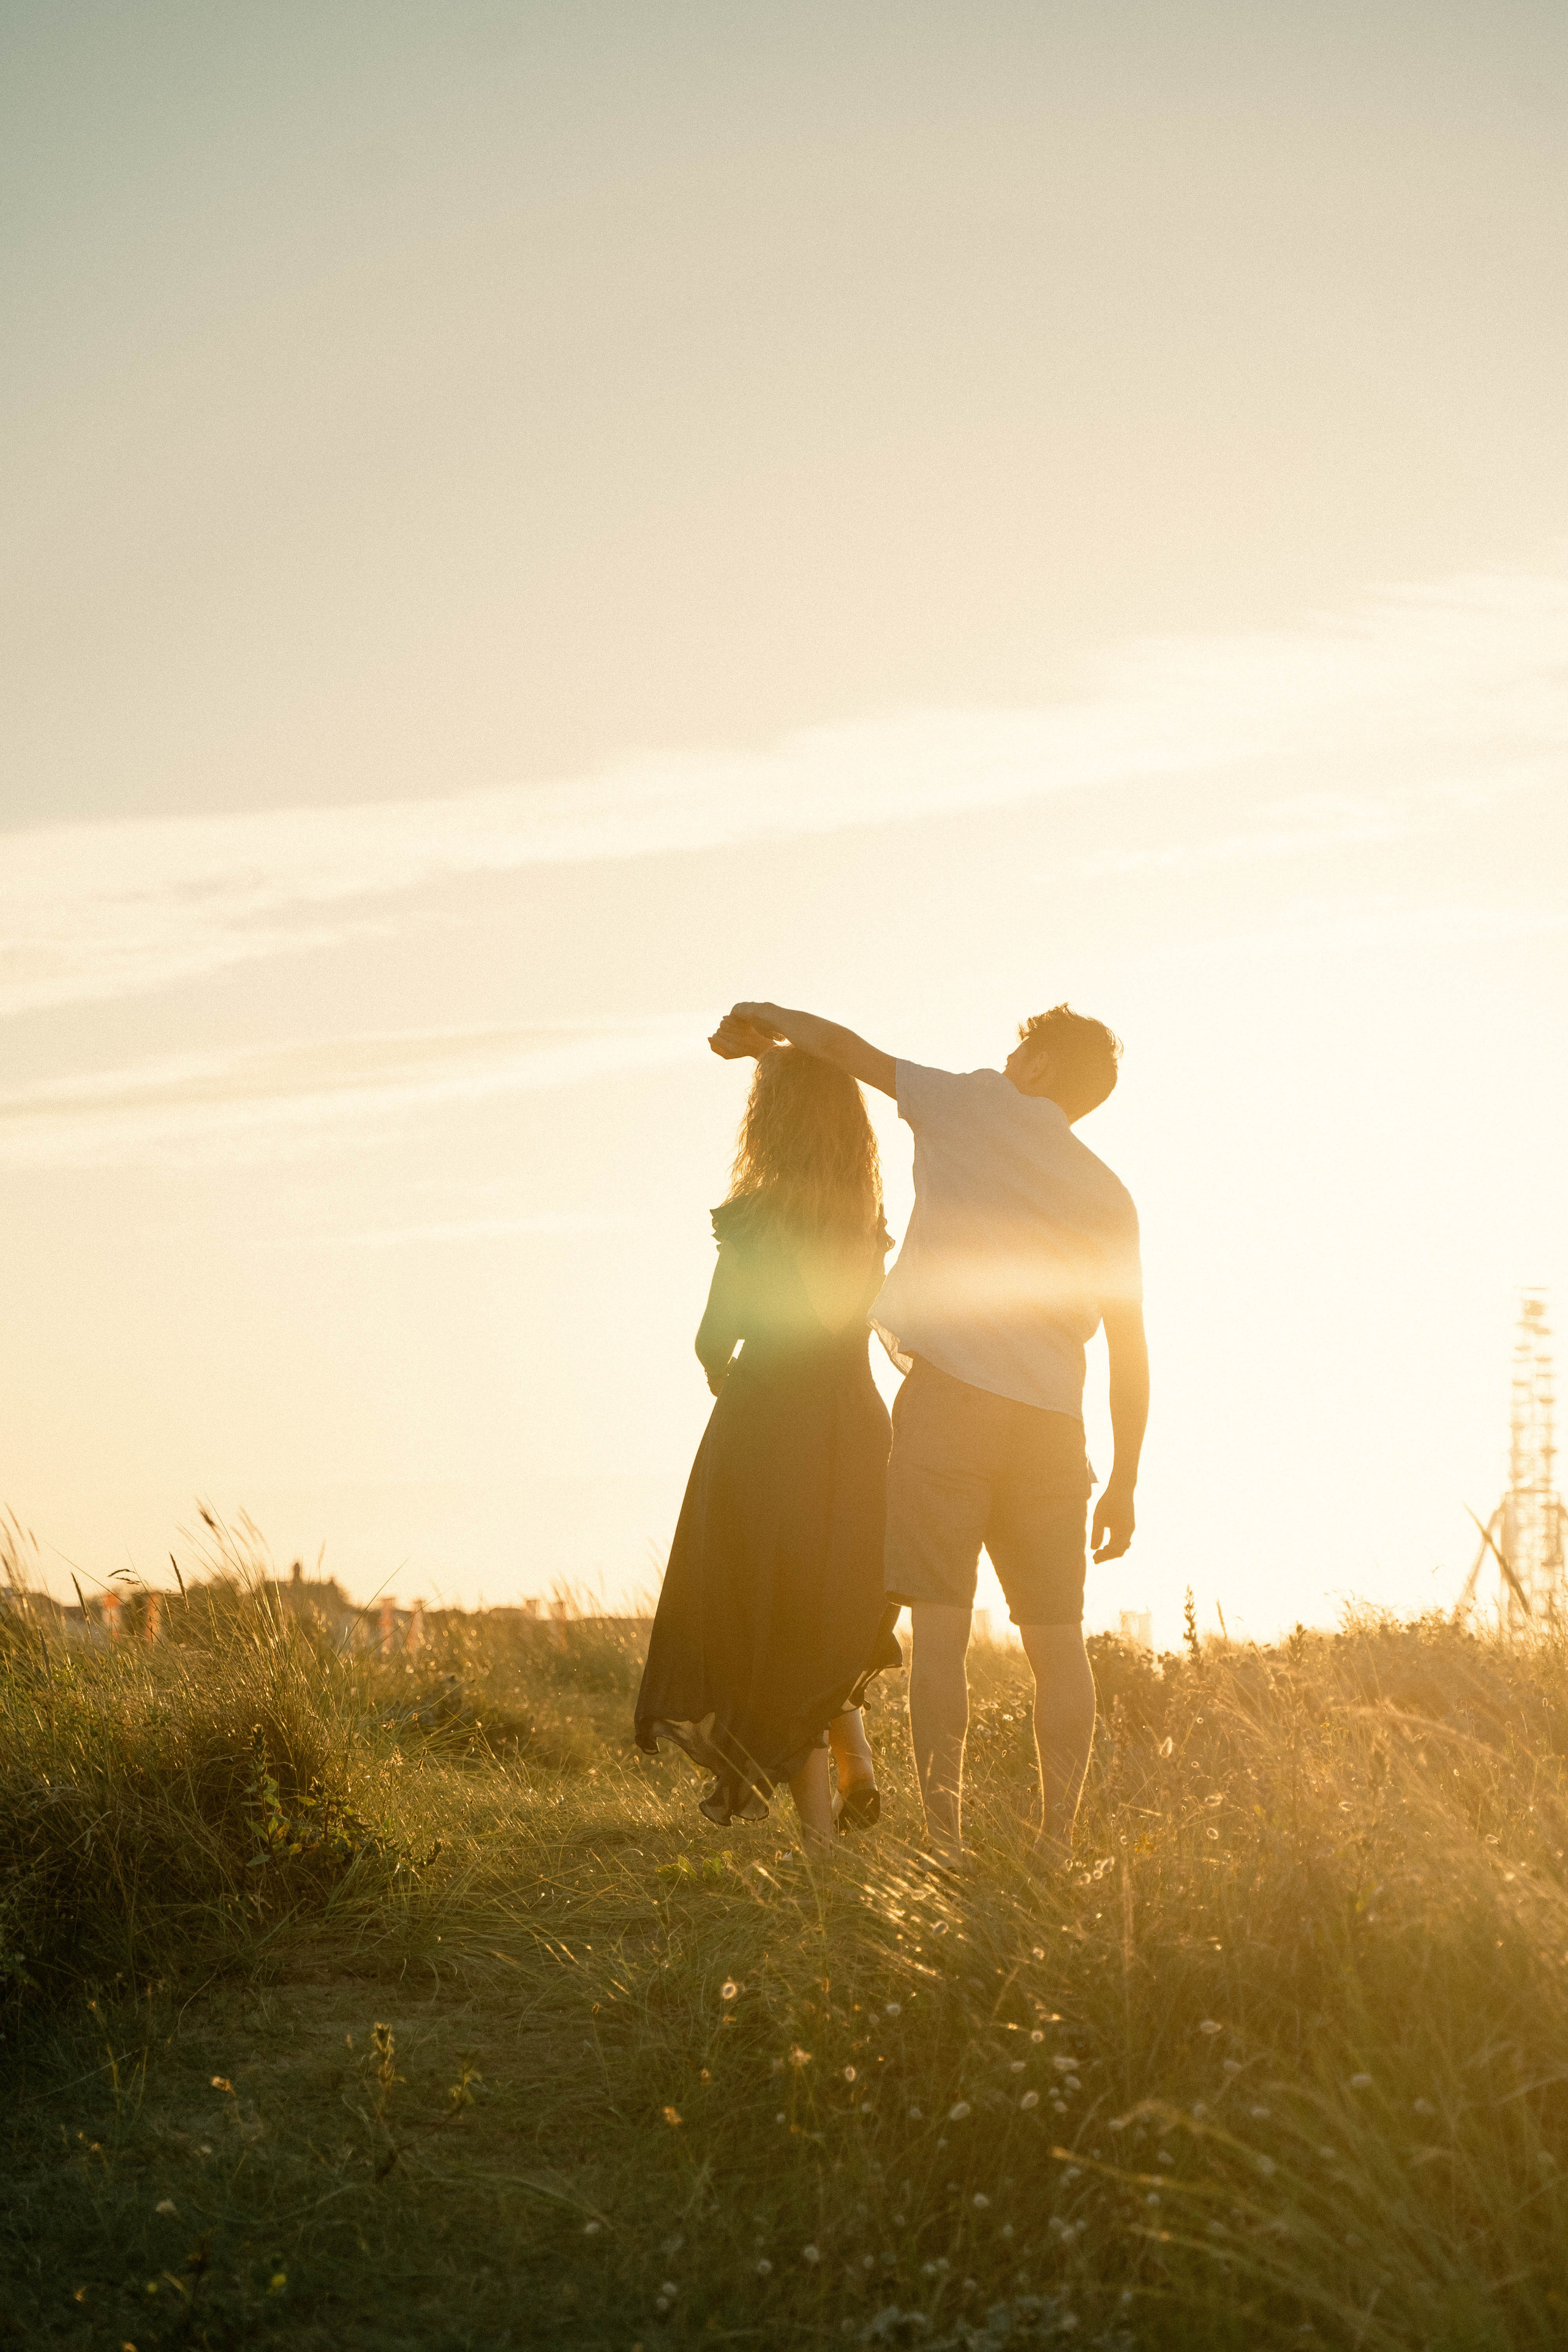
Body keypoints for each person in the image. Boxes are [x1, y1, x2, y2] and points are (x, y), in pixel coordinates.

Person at [708, 1000, 1148, 1872]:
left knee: (942, 1630)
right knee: (1059, 1645)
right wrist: (1126, 1480)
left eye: (1022, 1047)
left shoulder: (974, 1102)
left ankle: (945, 1844)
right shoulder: (1109, 1194)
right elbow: (1132, 1350)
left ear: (1043, 1067)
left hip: (953, 1407)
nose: (1009, 1056)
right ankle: (1056, 1844)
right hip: (1056, 1427)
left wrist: (766, 1018)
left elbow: (847, 1049)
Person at [634, 1037, 903, 1847]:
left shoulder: (755, 1220)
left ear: (770, 1120)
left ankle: (821, 1846)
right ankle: (853, 1763)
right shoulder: (868, 1224)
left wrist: (726, 1377)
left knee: (767, 1625)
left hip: (766, 1435)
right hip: (857, 1431)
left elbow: (714, 1338)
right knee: (825, 1611)